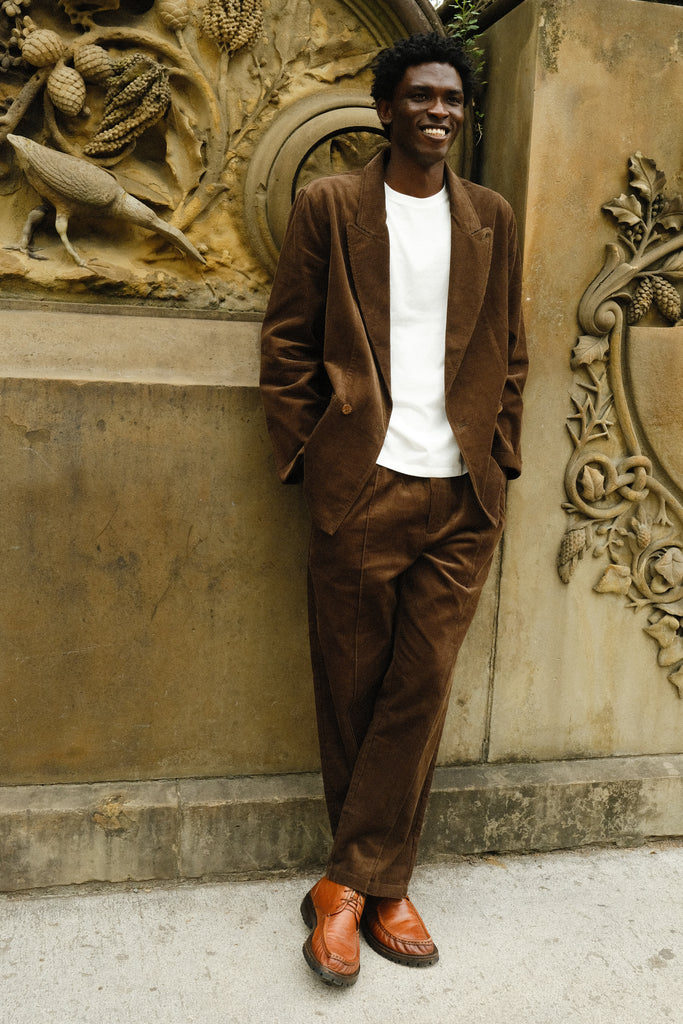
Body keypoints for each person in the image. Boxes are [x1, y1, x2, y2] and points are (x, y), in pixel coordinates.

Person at [260, 32, 527, 987]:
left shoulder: (490, 216)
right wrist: (314, 459)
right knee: (351, 692)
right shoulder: (331, 205)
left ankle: (347, 885)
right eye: (420, 95)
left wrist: (500, 453)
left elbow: (510, 349)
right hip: (363, 486)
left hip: (462, 496)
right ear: (384, 109)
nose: (438, 111)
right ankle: (380, 888)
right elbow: (286, 344)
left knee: (421, 687)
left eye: (451, 98)